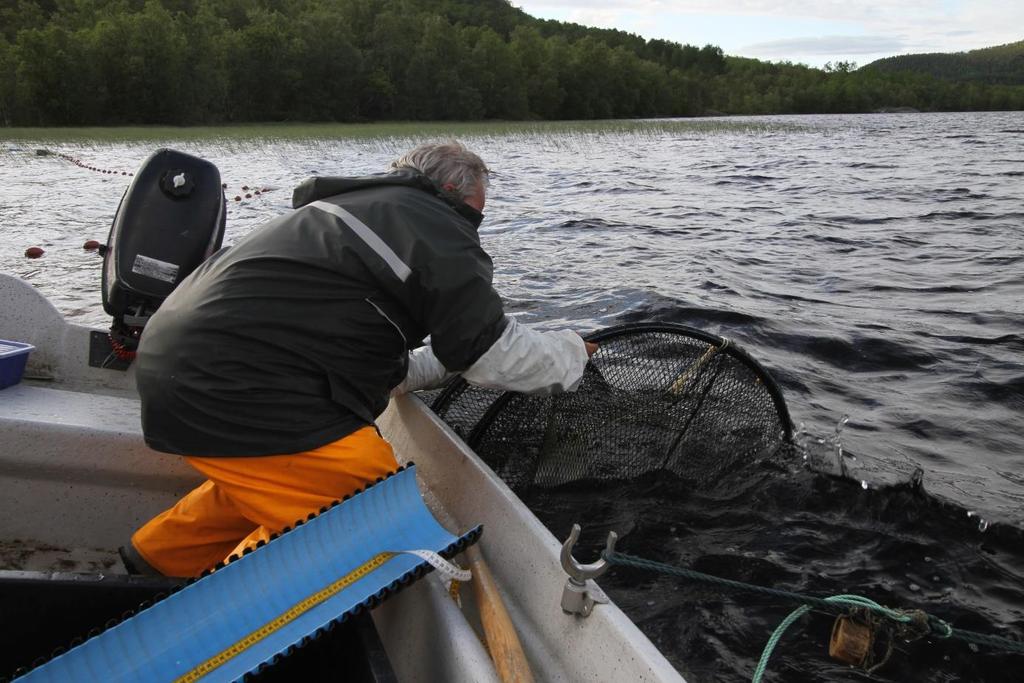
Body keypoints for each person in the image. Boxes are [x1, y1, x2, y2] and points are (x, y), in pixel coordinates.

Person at [122, 141, 596, 577]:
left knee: (276, 481)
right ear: (454, 193)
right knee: (373, 513)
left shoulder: (352, 211)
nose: (475, 227)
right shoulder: (436, 225)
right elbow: (494, 355)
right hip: (240, 386)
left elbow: (370, 350)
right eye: (477, 214)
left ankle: (147, 567)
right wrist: (573, 353)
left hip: (177, 366)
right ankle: (202, 624)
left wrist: (436, 365)